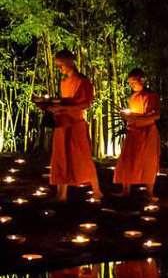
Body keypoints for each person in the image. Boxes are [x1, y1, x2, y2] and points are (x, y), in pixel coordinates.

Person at [36, 50, 102, 202]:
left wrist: (62, 108)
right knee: (61, 158)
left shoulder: (83, 81)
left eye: (61, 65)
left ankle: (97, 190)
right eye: (58, 66)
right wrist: (50, 106)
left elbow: (86, 103)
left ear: (70, 62)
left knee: (82, 158)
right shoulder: (64, 82)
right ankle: (62, 194)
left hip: (76, 124)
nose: (60, 69)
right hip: (62, 123)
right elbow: (65, 101)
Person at [113, 69, 161, 198]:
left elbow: (155, 115)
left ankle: (149, 191)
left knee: (148, 162)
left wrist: (136, 119)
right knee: (127, 159)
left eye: (133, 81)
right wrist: (129, 117)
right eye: (130, 82)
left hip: (147, 132)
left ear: (142, 80)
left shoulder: (150, 96)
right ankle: (126, 188)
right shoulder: (133, 96)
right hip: (133, 132)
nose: (131, 85)